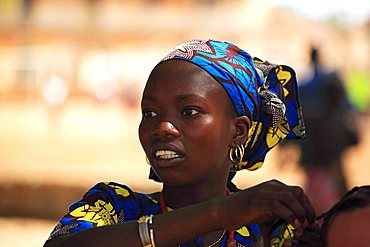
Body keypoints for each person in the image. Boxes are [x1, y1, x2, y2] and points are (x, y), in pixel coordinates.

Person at [44, 39, 317, 247]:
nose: (161, 127)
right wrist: (217, 214)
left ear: (238, 131)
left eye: (189, 112)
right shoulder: (115, 209)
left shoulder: (274, 229)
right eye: (149, 113)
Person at [296, 46, 358, 215]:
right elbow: (349, 107)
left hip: (316, 148)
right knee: (332, 179)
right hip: (329, 147)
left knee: (318, 180)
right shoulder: (328, 81)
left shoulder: (306, 85)